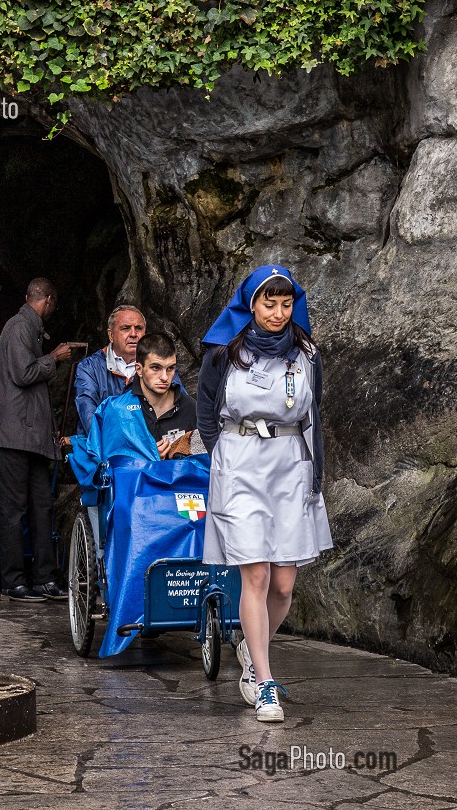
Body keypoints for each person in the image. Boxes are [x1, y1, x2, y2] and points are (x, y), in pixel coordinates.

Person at [197, 265, 332, 724]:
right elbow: (205, 412)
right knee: (254, 577)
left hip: (290, 465)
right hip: (240, 467)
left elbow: (318, 416)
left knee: (284, 584)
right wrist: (226, 460)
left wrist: (316, 477)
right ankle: (263, 680)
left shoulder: (308, 352)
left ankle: (251, 647)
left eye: (286, 303)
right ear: (250, 305)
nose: (277, 313)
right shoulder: (224, 352)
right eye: (268, 303)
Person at [0, 278, 76, 604]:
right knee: (13, 510)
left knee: (42, 506)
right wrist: (55, 357)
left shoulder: (27, 326)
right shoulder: (20, 326)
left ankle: (46, 578)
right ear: (48, 300)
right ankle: (13, 581)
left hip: (32, 437)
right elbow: (23, 374)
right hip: (13, 435)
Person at [74, 304, 146, 435]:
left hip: (149, 446)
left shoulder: (158, 364)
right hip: (104, 447)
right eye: (126, 328)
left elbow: (179, 402)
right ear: (111, 335)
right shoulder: (89, 367)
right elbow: (88, 413)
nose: (134, 334)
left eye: (139, 328)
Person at [128, 333, 198, 457]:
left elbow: (204, 460)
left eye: (170, 368)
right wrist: (147, 457)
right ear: (139, 369)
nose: (165, 377)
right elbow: (110, 460)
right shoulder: (122, 409)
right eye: (156, 368)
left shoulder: (190, 408)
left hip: (182, 476)